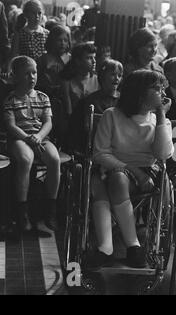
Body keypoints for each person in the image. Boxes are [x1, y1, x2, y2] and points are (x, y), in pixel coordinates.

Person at [90, 70, 173, 268]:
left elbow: (162, 155)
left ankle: (118, 248)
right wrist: (130, 170)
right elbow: (100, 153)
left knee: (116, 179)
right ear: (139, 93)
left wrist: (161, 116)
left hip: (148, 172)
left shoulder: (160, 122)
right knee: (114, 178)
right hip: (114, 168)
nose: (162, 94)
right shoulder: (112, 115)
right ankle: (120, 246)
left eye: (163, 89)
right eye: (157, 89)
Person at [3, 56, 60, 235]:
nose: (32, 77)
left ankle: (50, 211)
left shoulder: (43, 97)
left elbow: (48, 123)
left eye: (34, 73)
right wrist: (28, 137)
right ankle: (22, 214)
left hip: (40, 137)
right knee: (25, 159)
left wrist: (39, 136)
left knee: (54, 159)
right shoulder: (10, 99)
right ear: (16, 76)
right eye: (26, 73)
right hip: (19, 139)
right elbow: (11, 126)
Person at [60, 43, 98, 117]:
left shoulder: (98, 80)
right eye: (89, 58)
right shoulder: (67, 82)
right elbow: (68, 111)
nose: (94, 61)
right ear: (78, 61)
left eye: (94, 57)